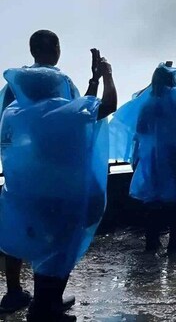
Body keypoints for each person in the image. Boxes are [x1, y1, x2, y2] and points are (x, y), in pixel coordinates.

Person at [0, 33, 116, 321]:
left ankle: (22, 294)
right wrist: (105, 76)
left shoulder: (12, 100)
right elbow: (89, 110)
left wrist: (93, 82)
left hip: (21, 181)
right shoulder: (59, 95)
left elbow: (73, 109)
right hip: (59, 184)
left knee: (23, 232)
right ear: (55, 49)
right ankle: (44, 307)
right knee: (60, 240)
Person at [113, 63, 176, 253]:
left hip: (153, 156)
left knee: (154, 197)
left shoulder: (147, 101)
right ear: (174, 78)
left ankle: (151, 242)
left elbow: (141, 129)